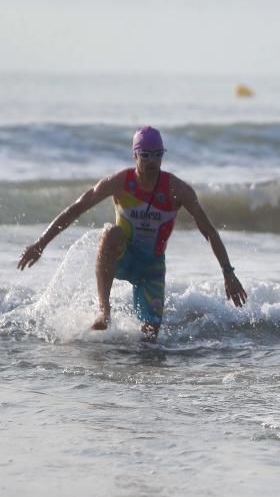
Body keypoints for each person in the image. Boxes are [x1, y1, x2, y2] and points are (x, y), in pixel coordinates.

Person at [17, 126, 247, 340]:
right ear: (135, 155)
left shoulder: (177, 189)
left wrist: (228, 272)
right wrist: (40, 243)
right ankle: (104, 313)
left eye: (157, 154)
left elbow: (208, 230)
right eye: (145, 155)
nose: (152, 161)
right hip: (122, 255)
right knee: (111, 233)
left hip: (151, 267)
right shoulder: (119, 183)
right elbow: (77, 208)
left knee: (149, 343)